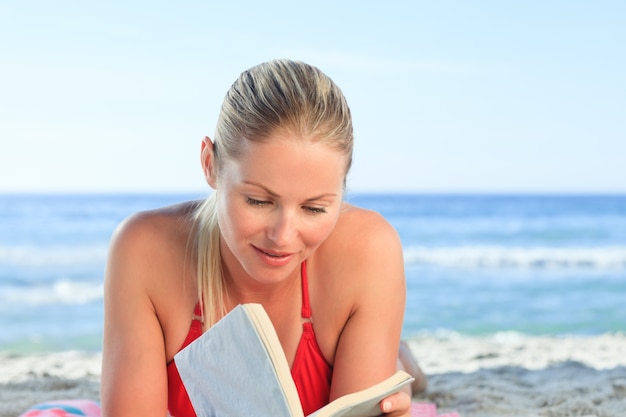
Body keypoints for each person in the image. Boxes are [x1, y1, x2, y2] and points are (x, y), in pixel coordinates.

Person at [99, 59, 426, 417]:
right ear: (210, 164)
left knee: (405, 388)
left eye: (314, 208)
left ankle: (401, 360)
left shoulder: (369, 249)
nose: (282, 237)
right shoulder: (144, 250)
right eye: (258, 201)